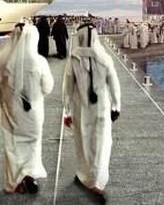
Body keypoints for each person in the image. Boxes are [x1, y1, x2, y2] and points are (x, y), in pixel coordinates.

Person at [62, 21, 121, 197]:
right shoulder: (105, 58)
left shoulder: (73, 58)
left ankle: (86, 177)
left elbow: (67, 87)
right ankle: (98, 180)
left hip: (82, 109)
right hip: (102, 108)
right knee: (102, 143)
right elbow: (114, 84)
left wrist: (67, 111)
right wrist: (116, 106)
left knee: (84, 143)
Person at [0, 23, 54, 194]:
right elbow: (47, 88)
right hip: (33, 114)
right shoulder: (40, 61)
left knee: (13, 146)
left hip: (10, 112)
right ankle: (29, 176)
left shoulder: (2, 60)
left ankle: (15, 182)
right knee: (32, 146)